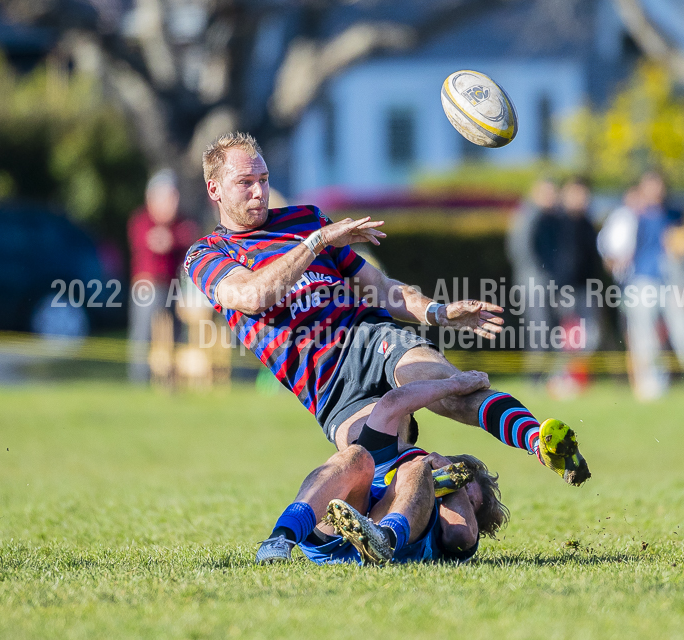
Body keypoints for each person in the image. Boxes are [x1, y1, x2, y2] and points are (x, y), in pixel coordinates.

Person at [184, 132, 590, 485]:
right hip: (327, 389)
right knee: (377, 468)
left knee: (448, 390)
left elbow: (379, 288)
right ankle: (443, 489)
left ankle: (539, 440)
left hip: (369, 338)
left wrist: (438, 312)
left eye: (264, 179)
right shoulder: (207, 253)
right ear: (214, 189)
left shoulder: (304, 219)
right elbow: (254, 296)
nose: (259, 191)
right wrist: (317, 243)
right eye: (245, 183)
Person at [256, 371, 548, 565]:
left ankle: (385, 537)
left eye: (470, 503)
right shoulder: (403, 455)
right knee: (355, 456)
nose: (454, 496)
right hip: (332, 535)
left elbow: (462, 535)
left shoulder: (452, 533)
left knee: (415, 469)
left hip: (395, 547)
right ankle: (281, 537)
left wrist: (452, 483)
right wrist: (455, 385)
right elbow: (393, 403)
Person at [621, 171, 684, 400]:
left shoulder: (675, 215)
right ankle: (651, 384)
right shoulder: (632, 216)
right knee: (644, 337)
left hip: (671, 281)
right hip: (642, 281)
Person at [127, 169, 197, 382]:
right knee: (143, 335)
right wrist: (171, 239)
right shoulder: (140, 220)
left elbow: (189, 237)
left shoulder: (181, 222)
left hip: (175, 286)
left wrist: (171, 239)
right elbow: (152, 242)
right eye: (168, 196)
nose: (172, 202)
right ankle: (139, 379)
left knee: (177, 333)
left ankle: (171, 379)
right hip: (147, 286)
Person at [506, 178, 559, 354]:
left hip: (543, 280)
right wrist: (541, 274)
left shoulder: (546, 216)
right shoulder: (529, 215)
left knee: (548, 329)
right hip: (534, 282)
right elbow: (520, 250)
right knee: (539, 328)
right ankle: (536, 376)